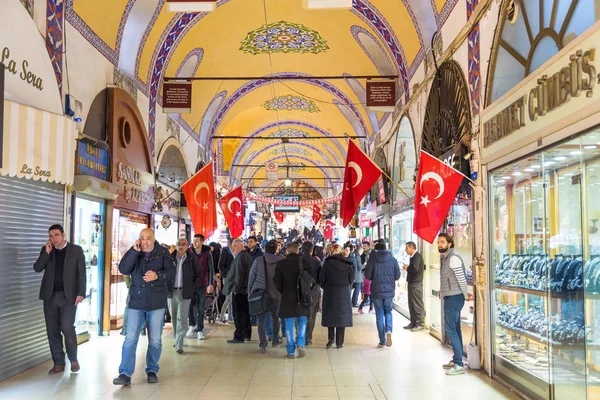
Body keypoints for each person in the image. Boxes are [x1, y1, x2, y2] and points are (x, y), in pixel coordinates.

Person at [113, 228, 176, 386]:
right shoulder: (135, 251)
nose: (145, 241)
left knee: (155, 340)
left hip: (156, 303)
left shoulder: (162, 252)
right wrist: (134, 252)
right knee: (130, 339)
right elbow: (124, 269)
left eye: (148, 238)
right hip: (136, 303)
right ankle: (125, 373)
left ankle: (152, 370)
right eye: (142, 238)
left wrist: (157, 276)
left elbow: (171, 271)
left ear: (153, 239)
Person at [33, 224, 86, 375]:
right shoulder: (47, 251)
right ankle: (58, 363)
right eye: (51, 236)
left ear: (63, 235)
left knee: (67, 327)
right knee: (52, 330)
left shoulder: (76, 250)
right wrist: (46, 253)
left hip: (68, 296)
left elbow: (81, 273)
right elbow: (37, 268)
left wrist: (81, 293)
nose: (53, 239)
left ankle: (73, 359)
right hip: (49, 296)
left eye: (56, 235)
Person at [274, 242, 317, 358]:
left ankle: (290, 351)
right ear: (298, 251)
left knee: (289, 324)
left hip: (287, 298)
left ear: (287, 251)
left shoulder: (281, 264)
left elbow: (276, 282)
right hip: (302, 297)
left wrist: (283, 290)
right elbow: (312, 280)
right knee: (302, 321)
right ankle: (301, 344)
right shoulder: (304, 262)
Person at [438, 233, 472, 376]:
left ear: (450, 243)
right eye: (438, 242)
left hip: (454, 298)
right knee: (455, 329)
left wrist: (466, 294)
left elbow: (461, 278)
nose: (439, 244)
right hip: (451, 296)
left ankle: (458, 364)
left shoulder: (453, 258)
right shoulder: (446, 258)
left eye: (442, 242)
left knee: (450, 330)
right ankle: (457, 359)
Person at [248, 240, 283, 353]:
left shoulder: (259, 260)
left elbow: (252, 276)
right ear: (275, 250)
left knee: (261, 320)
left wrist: (250, 291)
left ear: (265, 249)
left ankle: (263, 344)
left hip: (260, 294)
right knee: (275, 318)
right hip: (276, 294)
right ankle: (275, 340)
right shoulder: (281, 261)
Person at [167, 238, 201, 354]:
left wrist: (192, 287)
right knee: (174, 317)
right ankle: (177, 338)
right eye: (179, 244)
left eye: (183, 244)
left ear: (187, 246)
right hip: (172, 292)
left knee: (182, 318)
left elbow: (198, 274)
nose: (181, 246)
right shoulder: (170, 258)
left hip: (185, 292)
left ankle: (179, 344)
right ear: (176, 246)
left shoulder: (192, 259)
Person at [365, 242, 400, 349]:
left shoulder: (372, 260)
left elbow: (368, 276)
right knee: (388, 312)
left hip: (376, 291)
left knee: (379, 314)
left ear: (376, 250)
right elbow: (397, 276)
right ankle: (389, 331)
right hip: (389, 291)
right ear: (386, 249)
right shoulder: (393, 260)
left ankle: (382, 341)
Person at [320, 244, 354, 349]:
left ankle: (331, 338)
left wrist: (325, 286)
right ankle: (340, 342)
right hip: (344, 292)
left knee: (331, 315)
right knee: (341, 316)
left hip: (330, 291)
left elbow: (321, 279)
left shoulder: (327, 264)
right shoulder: (348, 264)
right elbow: (351, 279)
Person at [224, 239, 253, 343]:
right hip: (245, 290)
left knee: (238, 314)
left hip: (240, 290)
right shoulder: (247, 256)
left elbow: (239, 275)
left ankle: (239, 336)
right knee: (245, 313)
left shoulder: (241, 257)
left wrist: (235, 289)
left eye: (235, 246)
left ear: (240, 246)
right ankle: (246, 334)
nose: (233, 248)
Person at [187, 234, 214, 340]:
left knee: (201, 307)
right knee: (190, 306)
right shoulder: (189, 252)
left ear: (202, 242)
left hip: (202, 284)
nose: (195, 243)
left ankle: (200, 329)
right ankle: (191, 325)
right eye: (194, 240)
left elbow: (211, 269)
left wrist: (210, 283)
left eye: (197, 241)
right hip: (190, 284)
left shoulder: (207, 253)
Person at [300, 241, 322, 346]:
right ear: (311, 250)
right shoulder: (316, 262)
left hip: (299, 290)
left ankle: (300, 335)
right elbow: (320, 278)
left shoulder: (298, 261)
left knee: (300, 313)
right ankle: (308, 338)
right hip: (313, 289)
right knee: (312, 314)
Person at [404, 241, 425, 331]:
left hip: (416, 283)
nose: (406, 250)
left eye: (407, 248)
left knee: (417, 303)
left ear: (412, 248)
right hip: (412, 283)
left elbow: (415, 269)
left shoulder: (417, 256)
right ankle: (413, 322)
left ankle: (420, 323)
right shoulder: (413, 257)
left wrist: (407, 268)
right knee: (411, 303)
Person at [217, 239, 235, 325]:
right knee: (229, 297)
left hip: (235, 277)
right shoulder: (225, 251)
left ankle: (231, 317)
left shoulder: (235, 252)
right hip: (227, 277)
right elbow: (220, 265)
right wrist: (226, 275)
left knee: (232, 297)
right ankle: (222, 316)